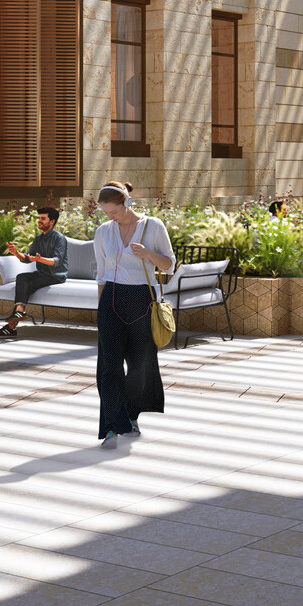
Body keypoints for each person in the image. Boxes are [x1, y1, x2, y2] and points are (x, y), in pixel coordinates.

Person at [94, 183, 175, 447]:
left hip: (142, 299)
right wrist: (100, 309)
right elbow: (101, 273)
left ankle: (131, 415)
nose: (110, 217)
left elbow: (168, 265)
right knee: (110, 366)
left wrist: (148, 254)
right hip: (112, 299)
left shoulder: (153, 227)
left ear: (127, 204)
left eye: (114, 211)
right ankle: (111, 426)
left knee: (141, 365)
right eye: (106, 212)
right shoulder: (103, 232)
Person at [0, 206, 67, 338]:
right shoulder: (38, 238)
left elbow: (57, 261)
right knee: (22, 277)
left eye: (43, 218)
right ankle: (19, 312)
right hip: (42, 274)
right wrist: (16, 253)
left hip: (56, 276)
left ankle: (11, 326)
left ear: (51, 222)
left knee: (25, 285)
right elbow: (26, 259)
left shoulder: (59, 238)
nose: (39, 221)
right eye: (39, 218)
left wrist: (41, 259)